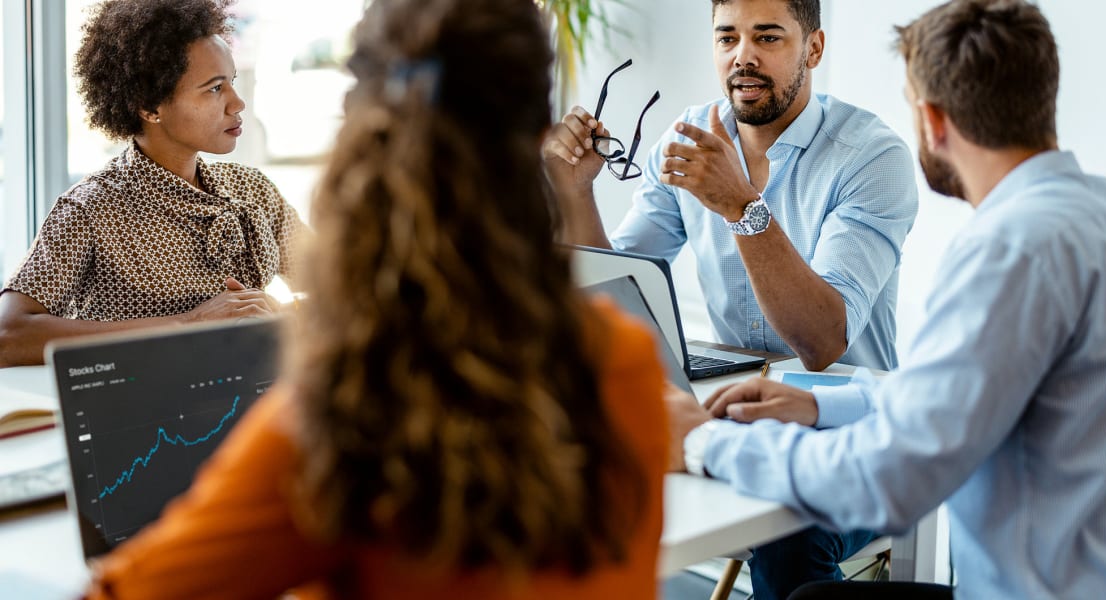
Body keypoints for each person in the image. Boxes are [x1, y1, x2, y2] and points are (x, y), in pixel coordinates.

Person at [85, 0, 668, 598]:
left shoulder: (340, 425)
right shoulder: (625, 360)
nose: (236, 103)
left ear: (358, 137)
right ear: (543, 130)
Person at [669, 0, 1106, 598]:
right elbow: (958, 396)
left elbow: (889, 479)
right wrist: (820, 406)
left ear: (933, 120)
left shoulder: (1011, 249)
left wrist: (703, 441)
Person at [543, 1, 915, 596]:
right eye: (727, 37)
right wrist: (575, 192)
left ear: (813, 49)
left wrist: (743, 208)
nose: (742, 55)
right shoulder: (691, 136)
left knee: (792, 535)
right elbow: (620, 291)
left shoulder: (872, 157)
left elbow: (822, 344)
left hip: (851, 431)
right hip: (730, 409)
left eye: (767, 36)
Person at [0, 0, 303, 368]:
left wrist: (281, 317)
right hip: (144, 415)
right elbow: (8, 335)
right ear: (149, 107)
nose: (237, 103)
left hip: (252, 401)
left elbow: (341, 284)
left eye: (232, 82)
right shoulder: (91, 209)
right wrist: (188, 324)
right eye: (214, 88)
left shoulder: (252, 189)